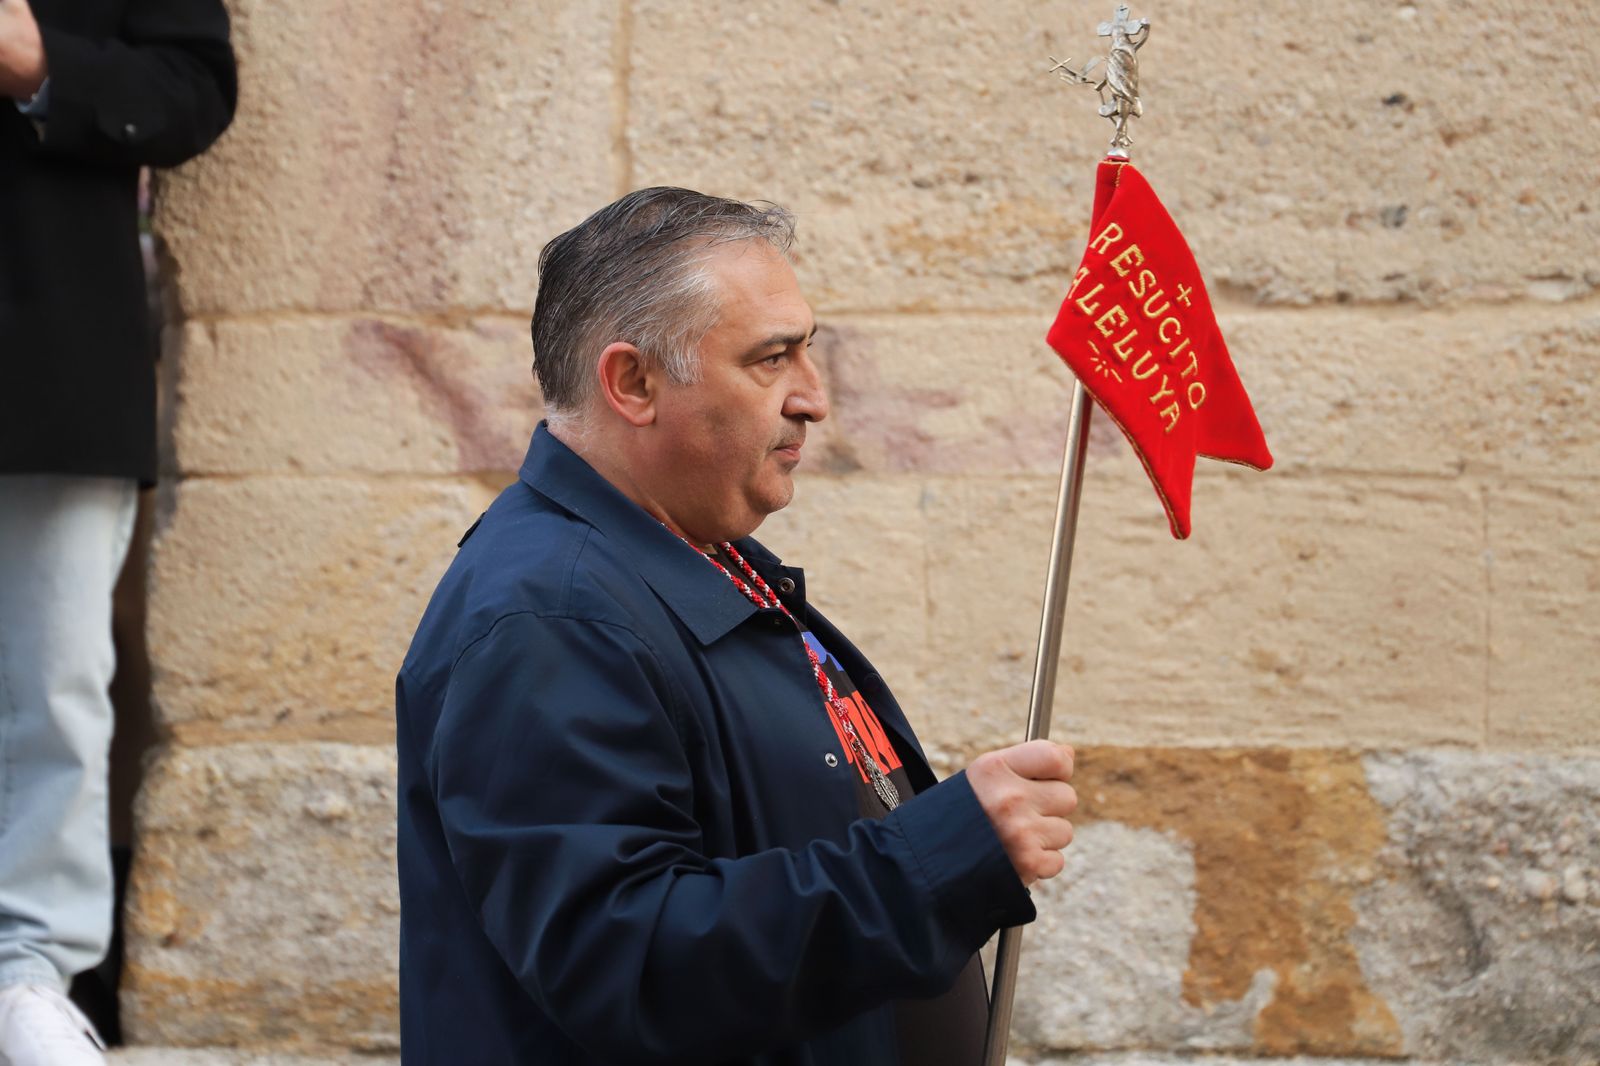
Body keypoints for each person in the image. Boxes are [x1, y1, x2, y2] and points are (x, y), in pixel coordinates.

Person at [396, 187, 1079, 1065]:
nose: (814, 399)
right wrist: (942, 859)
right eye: (771, 359)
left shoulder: (693, 555)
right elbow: (632, 964)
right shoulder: (551, 617)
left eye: (808, 351)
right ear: (633, 383)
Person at [0, 1, 235, 1062]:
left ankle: (28, 973)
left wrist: (36, 60)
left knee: (52, 683)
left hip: (42, 348)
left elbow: (193, 88)